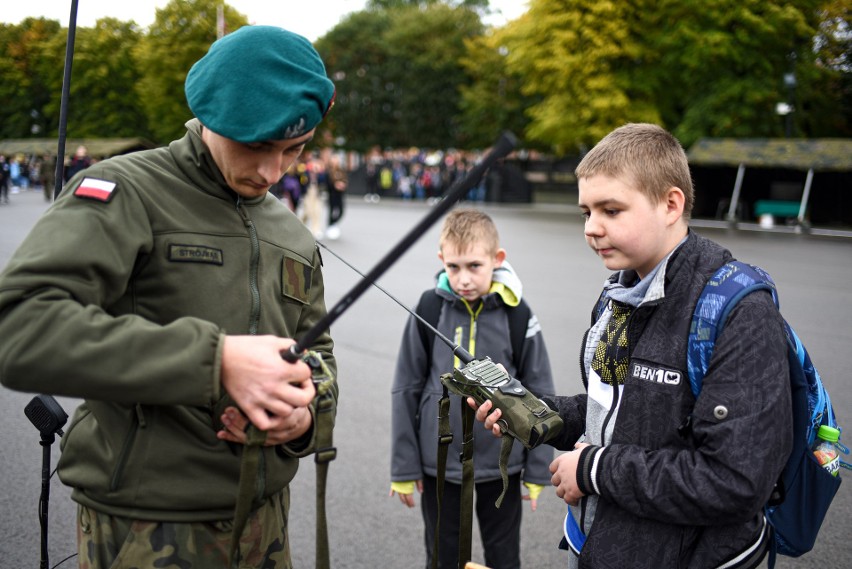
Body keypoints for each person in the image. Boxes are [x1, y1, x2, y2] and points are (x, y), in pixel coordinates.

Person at [0, 25, 338, 569]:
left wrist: (304, 419)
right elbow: (19, 328)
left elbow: (319, 356)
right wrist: (216, 360)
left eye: (294, 150)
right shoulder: (126, 190)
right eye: (256, 146)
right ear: (211, 118)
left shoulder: (292, 231)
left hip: (266, 522)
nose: (272, 172)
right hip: (144, 526)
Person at [471, 123, 793, 569]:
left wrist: (591, 471)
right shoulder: (616, 295)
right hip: (599, 545)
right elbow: (622, 412)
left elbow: (734, 482)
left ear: (670, 204)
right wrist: (529, 409)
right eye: (586, 211)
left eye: (611, 210)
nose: (592, 228)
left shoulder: (742, 314)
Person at [390, 209, 555, 569]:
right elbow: (406, 387)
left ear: (497, 260)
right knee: (442, 557)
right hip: (439, 464)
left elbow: (541, 391)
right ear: (441, 261)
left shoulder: (518, 314)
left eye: (474, 266)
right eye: (453, 267)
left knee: (503, 557)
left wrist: (539, 469)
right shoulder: (429, 308)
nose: (463, 279)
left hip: (503, 465)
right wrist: (403, 467)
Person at [324, 152, 347, 239]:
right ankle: (330, 226)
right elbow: (327, 183)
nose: (335, 161)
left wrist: (343, 184)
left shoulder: (341, 170)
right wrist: (335, 185)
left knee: (341, 211)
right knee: (331, 211)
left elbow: (345, 179)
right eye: (334, 159)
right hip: (332, 194)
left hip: (340, 195)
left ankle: (333, 224)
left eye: (336, 159)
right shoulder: (328, 171)